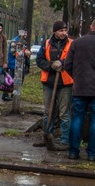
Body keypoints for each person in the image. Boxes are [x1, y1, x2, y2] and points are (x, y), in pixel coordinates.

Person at [36, 20, 74, 150]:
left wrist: (62, 63)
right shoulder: (46, 43)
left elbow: (73, 58)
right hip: (49, 82)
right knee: (48, 112)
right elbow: (39, 60)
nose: (64, 33)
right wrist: (51, 66)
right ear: (55, 32)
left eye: (65, 30)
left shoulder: (71, 43)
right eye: (61, 31)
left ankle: (65, 140)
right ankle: (47, 135)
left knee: (64, 113)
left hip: (65, 83)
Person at [64, 19, 95, 160]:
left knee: (76, 118)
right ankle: (92, 154)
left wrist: (76, 77)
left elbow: (67, 64)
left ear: (91, 26)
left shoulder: (77, 42)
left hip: (80, 87)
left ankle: (73, 151)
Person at [4, 29, 31, 102]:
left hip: (20, 63)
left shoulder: (23, 41)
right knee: (11, 80)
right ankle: (6, 95)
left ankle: (14, 95)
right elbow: (13, 52)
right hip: (14, 63)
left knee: (19, 80)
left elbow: (25, 50)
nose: (25, 35)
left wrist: (27, 52)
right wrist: (24, 53)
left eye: (26, 33)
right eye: (24, 33)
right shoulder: (14, 41)